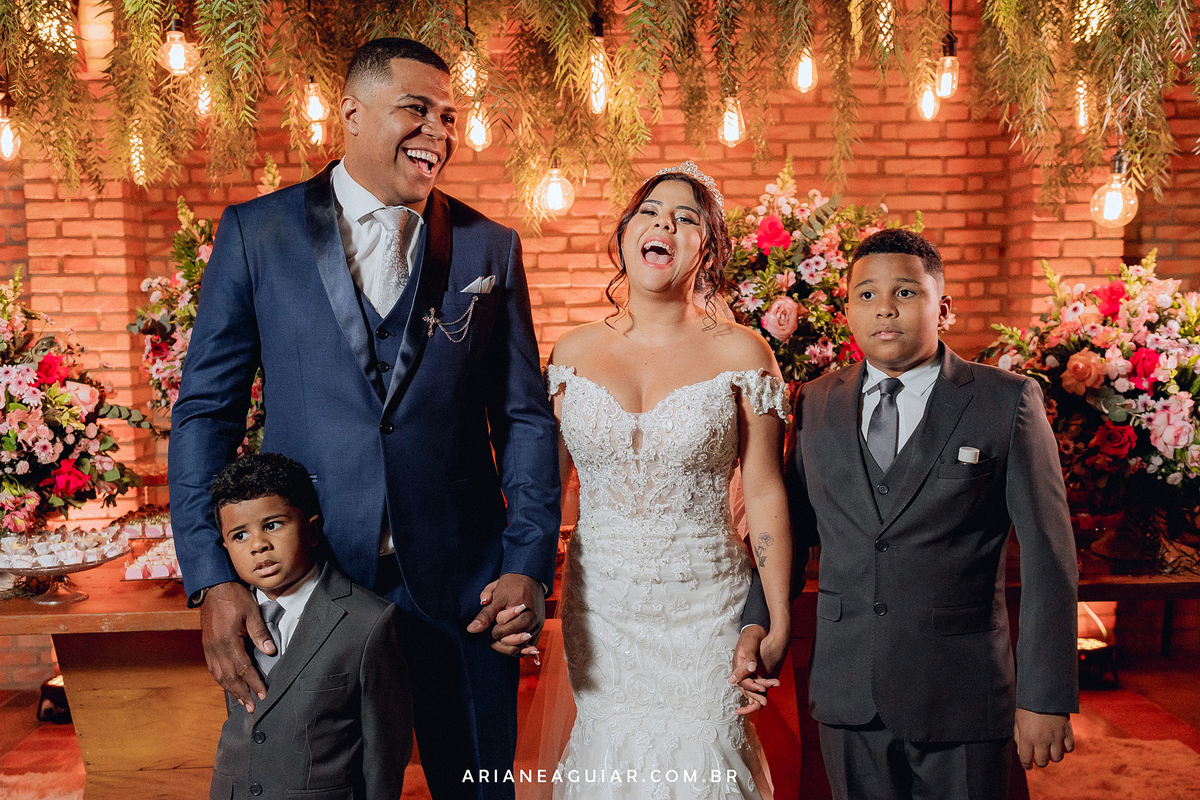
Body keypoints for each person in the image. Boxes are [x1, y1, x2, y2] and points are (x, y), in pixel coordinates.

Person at [168, 38, 561, 799]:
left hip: (466, 589)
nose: (438, 132)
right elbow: (206, 415)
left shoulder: (489, 248)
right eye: (417, 109)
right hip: (308, 582)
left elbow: (524, 420)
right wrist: (212, 576)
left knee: (479, 786)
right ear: (350, 112)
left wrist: (525, 563)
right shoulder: (257, 233)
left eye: (449, 118)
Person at [735, 229, 1079, 800]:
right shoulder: (816, 402)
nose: (885, 309)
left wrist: (1045, 697)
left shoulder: (1005, 400)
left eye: (906, 292)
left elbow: (1050, 558)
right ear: (848, 309)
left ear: (942, 307)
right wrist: (758, 623)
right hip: (848, 689)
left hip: (963, 692)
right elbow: (788, 534)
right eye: (866, 294)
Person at [544, 162, 793, 798]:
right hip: (602, 605)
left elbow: (765, 491)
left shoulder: (744, 353)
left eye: (686, 219)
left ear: (706, 250)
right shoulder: (571, 353)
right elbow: (543, 487)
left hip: (706, 605)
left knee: (706, 756)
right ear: (626, 233)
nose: (665, 224)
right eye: (650, 213)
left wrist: (778, 613)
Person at [207, 453, 410, 800]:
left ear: (312, 530)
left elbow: (384, 758)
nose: (258, 545)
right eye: (240, 535)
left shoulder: (369, 622)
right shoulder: (230, 621)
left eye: (273, 525)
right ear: (225, 547)